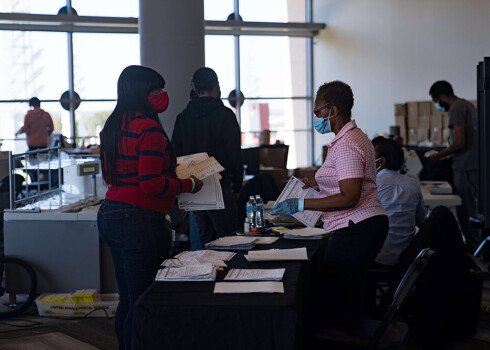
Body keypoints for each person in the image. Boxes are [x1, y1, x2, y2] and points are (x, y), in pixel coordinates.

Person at [97, 65, 203, 350]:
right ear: (142, 94)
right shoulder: (149, 129)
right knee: (144, 299)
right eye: (156, 90)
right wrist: (189, 185)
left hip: (111, 212)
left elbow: (119, 174)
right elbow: (151, 184)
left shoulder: (112, 125)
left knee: (128, 299)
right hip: (140, 220)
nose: (162, 95)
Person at [273, 81, 388, 321]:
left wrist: (301, 204)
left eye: (318, 112)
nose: (315, 117)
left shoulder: (346, 144)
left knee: (335, 299)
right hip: (364, 224)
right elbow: (348, 180)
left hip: (356, 227)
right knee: (344, 294)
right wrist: (318, 184)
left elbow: (350, 196)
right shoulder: (354, 137)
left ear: (333, 111)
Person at [172, 67, 243, 246]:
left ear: (194, 88)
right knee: (228, 242)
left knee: (204, 242)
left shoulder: (183, 118)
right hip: (221, 186)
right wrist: (237, 186)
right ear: (217, 86)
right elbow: (234, 154)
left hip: (194, 186)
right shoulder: (226, 115)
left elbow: (175, 154)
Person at [427, 80, 479, 252]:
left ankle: (473, 251)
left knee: (466, 211)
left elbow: (460, 141)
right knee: (475, 209)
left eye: (436, 101)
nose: (438, 105)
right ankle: (477, 248)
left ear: (442, 96)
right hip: (474, 165)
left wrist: (438, 155)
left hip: (464, 166)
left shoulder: (456, 108)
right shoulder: (467, 105)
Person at [372, 136, 426, 266]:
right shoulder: (413, 184)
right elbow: (420, 221)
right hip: (406, 258)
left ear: (381, 161)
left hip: (376, 257)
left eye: (370, 155)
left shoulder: (371, 185)